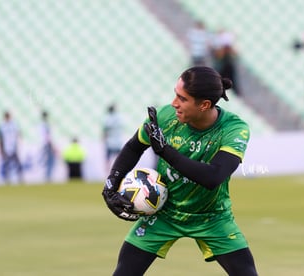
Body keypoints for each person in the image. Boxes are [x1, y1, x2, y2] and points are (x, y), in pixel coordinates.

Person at [102, 66, 258, 275]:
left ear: (204, 104)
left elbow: (214, 176)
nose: (174, 103)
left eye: (182, 98)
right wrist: (111, 184)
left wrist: (165, 151)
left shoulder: (234, 129)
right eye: (175, 94)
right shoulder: (167, 116)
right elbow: (133, 146)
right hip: (164, 213)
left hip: (212, 218)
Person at [0, 111, 23, 183]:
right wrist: (0, 148)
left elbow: (18, 134)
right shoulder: (2, 125)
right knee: (6, 164)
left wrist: (18, 143)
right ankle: (7, 179)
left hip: (13, 146)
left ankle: (20, 178)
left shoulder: (14, 124)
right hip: (6, 147)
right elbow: (0, 138)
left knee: (17, 163)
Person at [102, 104, 124, 175]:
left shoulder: (107, 118)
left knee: (108, 159)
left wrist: (103, 139)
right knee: (120, 159)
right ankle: (120, 173)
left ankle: (108, 174)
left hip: (110, 142)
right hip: (118, 141)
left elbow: (105, 130)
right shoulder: (119, 117)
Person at [38, 111, 56, 182]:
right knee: (50, 161)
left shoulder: (41, 125)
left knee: (47, 161)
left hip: (43, 144)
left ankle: (47, 176)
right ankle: (48, 177)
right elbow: (48, 136)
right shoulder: (46, 125)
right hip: (47, 144)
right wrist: (51, 145)